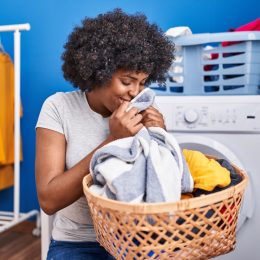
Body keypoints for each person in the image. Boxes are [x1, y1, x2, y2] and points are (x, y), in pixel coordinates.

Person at [35, 8, 174, 259]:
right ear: (98, 70)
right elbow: (48, 200)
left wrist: (161, 140)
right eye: (127, 80)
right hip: (77, 242)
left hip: (137, 237)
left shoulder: (143, 113)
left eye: (142, 82)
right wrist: (112, 141)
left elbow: (162, 187)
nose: (135, 92)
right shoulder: (58, 108)